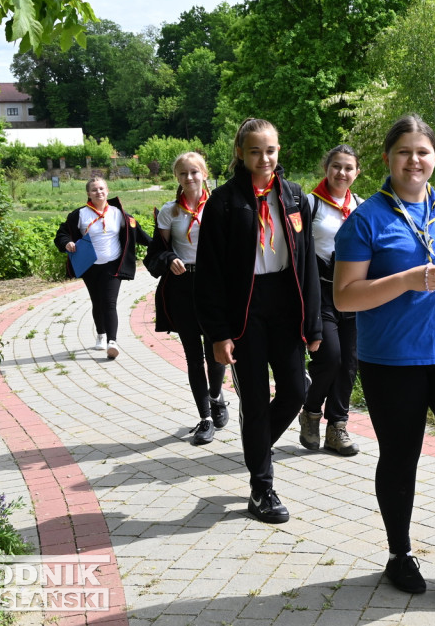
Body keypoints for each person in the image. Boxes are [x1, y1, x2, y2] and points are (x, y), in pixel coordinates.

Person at [333, 115, 435, 600]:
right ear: (388, 159)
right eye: (404, 152)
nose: (414, 160)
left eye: (422, 152)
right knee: (401, 458)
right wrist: (404, 280)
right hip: (391, 360)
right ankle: (399, 554)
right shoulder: (366, 220)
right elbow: (344, 297)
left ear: (434, 159)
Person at [194, 118, 322, 524]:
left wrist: (314, 325)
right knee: (253, 399)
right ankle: (262, 487)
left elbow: (306, 263)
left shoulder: (295, 196)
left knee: (296, 390)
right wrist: (217, 334)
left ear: (279, 150)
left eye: (270, 150)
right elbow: (209, 274)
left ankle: (256, 446)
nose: (263, 158)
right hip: (244, 311)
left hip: (285, 304)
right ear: (240, 154)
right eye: (254, 151)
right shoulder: (225, 202)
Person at [144, 152, 228, 446]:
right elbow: (155, 251)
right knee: (193, 355)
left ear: (205, 173)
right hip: (183, 286)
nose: (189, 178)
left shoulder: (219, 204)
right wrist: (169, 259)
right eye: (183, 173)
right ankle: (205, 417)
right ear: (176, 178)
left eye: (194, 172)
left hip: (214, 285)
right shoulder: (170, 212)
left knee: (216, 350)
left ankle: (217, 397)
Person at [297, 144, 363, 456]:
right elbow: (296, 251)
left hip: (353, 291)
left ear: (357, 172)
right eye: (336, 166)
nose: (342, 173)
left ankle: (337, 427)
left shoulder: (361, 206)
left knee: (350, 364)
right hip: (320, 291)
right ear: (327, 168)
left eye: (348, 168)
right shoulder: (310, 204)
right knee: (331, 356)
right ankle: (311, 412)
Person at [55, 176, 151, 360]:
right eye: (94, 190)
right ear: (88, 194)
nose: (98, 192)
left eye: (101, 189)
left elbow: (139, 234)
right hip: (90, 267)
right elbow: (62, 234)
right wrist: (67, 243)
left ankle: (112, 342)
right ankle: (100, 334)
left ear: (107, 191)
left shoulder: (119, 214)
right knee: (97, 302)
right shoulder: (80, 215)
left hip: (112, 266)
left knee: (109, 302)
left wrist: (159, 247)